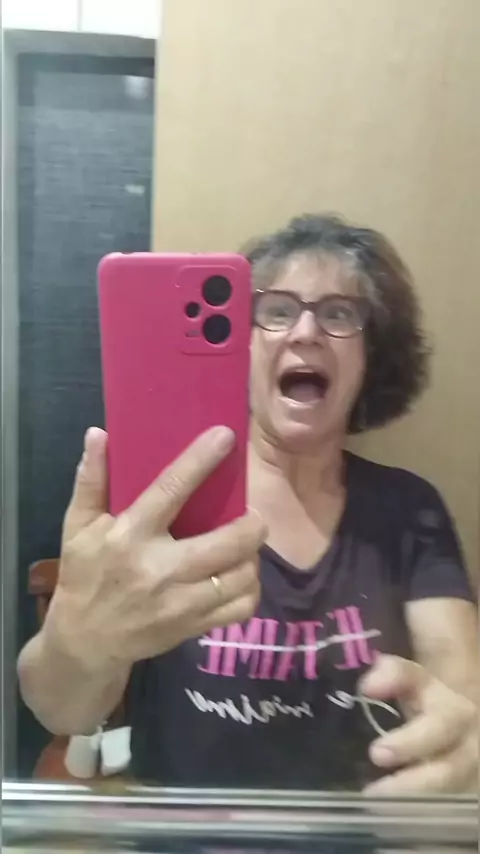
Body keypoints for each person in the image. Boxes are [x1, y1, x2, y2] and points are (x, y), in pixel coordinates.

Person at [18, 214, 477, 793]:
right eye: (277, 311)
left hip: (353, 831)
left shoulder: (409, 508)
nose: (305, 332)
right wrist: (80, 643)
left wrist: (460, 752)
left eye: (339, 314)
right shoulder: (162, 503)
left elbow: (460, 685)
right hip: (184, 832)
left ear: (371, 356)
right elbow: (60, 711)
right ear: (240, 346)